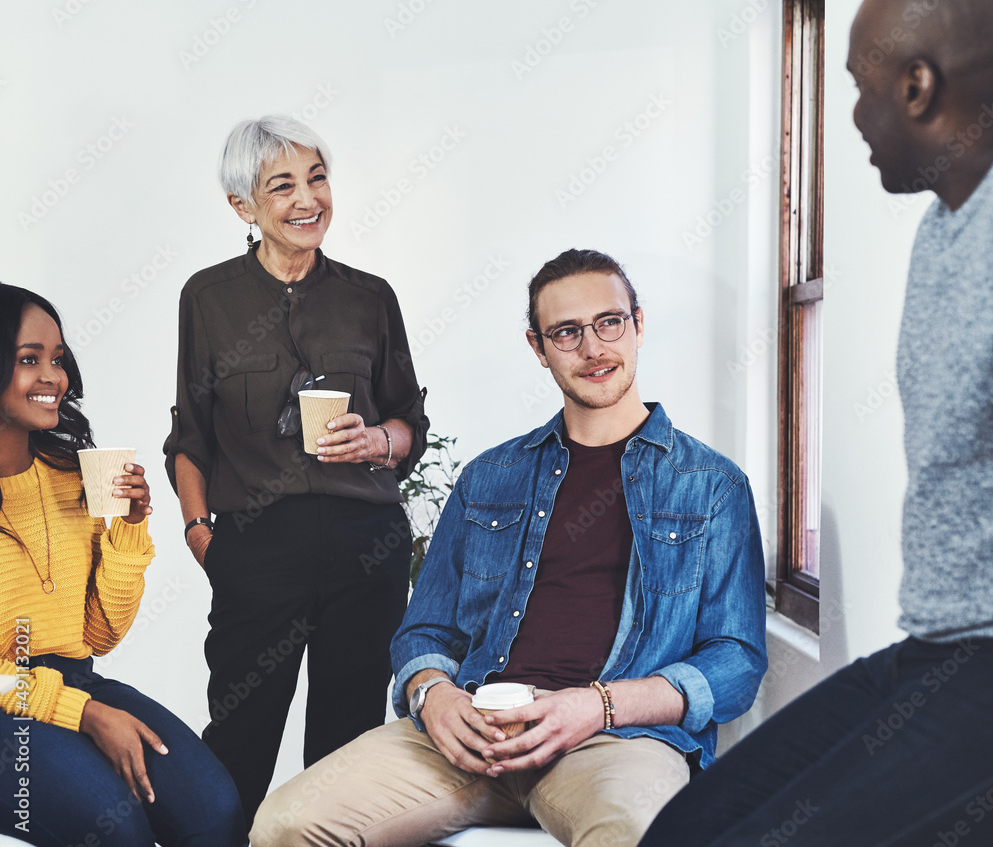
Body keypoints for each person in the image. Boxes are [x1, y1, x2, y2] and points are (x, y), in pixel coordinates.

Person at [640, 0, 993, 846]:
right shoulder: (947, 227)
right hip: (940, 646)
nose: (853, 119)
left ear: (916, 87)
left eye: (858, 89)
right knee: (686, 833)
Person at [251, 248, 767, 847]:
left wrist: (597, 707)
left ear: (638, 325)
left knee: (636, 836)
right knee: (284, 825)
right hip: (470, 730)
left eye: (609, 323)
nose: (594, 348)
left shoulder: (713, 485)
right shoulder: (489, 477)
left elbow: (735, 663)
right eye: (566, 332)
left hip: (613, 740)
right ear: (537, 347)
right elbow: (425, 631)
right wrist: (434, 696)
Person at [164, 114, 429, 825]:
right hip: (258, 546)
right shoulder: (208, 299)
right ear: (242, 207)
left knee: (347, 752)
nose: (308, 198)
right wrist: (200, 534)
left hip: (364, 542)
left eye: (316, 178)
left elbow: (411, 422)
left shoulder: (368, 297)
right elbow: (189, 436)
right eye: (281, 185)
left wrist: (379, 440)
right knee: (236, 746)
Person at [0, 284, 245, 846]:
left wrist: (129, 526)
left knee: (214, 812)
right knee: (114, 827)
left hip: (75, 678)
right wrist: (83, 714)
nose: (53, 377)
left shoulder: (69, 476)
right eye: (28, 359)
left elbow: (98, 635)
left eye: (57, 359)